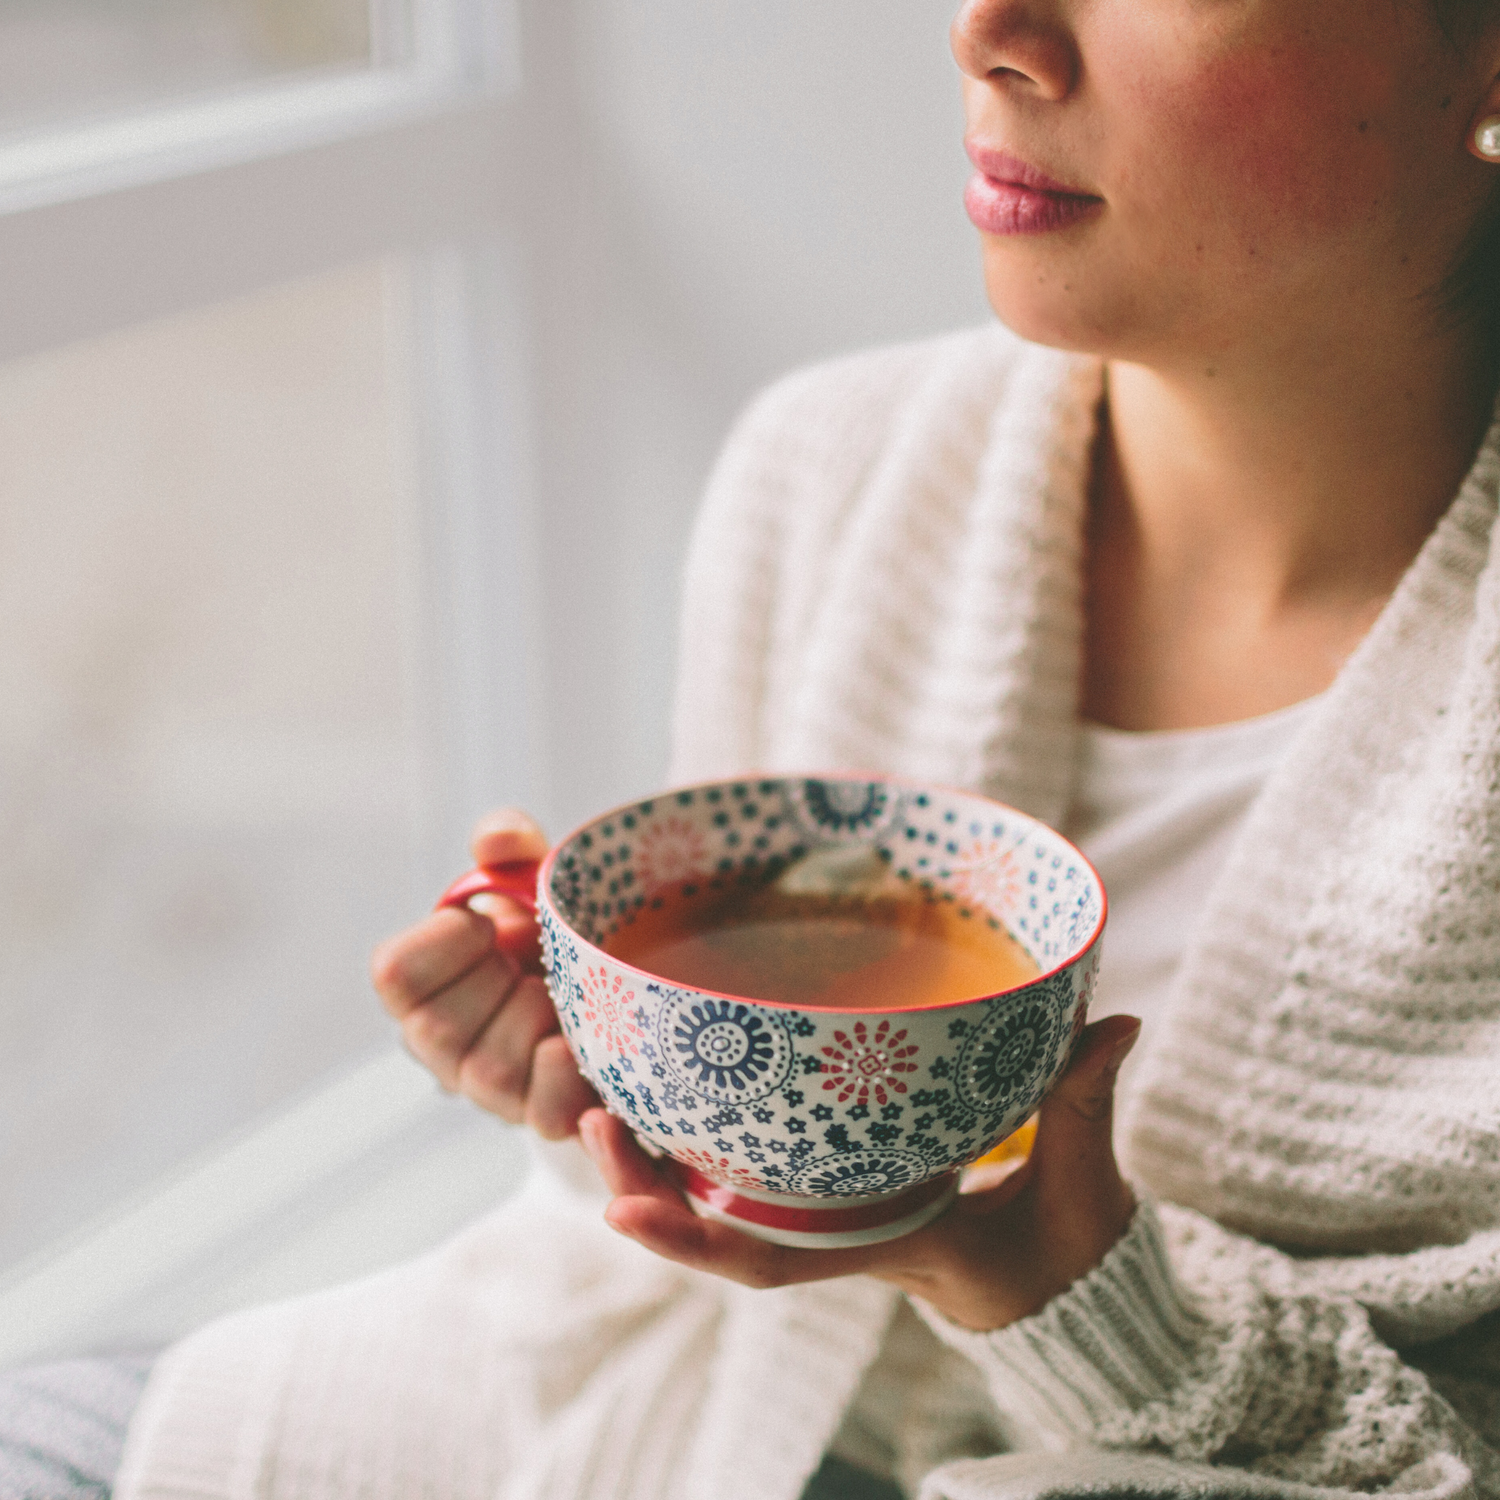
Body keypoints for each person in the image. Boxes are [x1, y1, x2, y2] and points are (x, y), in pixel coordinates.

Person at [109, 0, 1500, 1497]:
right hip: (663, 1407)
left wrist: (1079, 1303)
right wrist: (615, 1077)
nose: (988, 34)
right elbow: (715, 1217)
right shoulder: (834, 467)